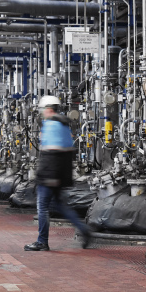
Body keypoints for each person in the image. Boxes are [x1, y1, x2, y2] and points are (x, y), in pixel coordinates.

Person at [25, 96, 93, 251]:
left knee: (42, 207)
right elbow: (67, 152)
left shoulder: (51, 125)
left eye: (42, 110)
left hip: (50, 174)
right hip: (61, 174)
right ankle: (84, 229)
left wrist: (46, 177)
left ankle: (42, 241)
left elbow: (52, 152)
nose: (42, 113)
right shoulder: (64, 125)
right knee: (60, 206)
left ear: (48, 109)